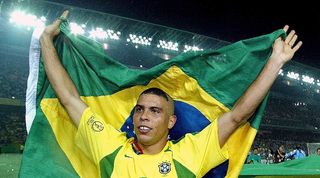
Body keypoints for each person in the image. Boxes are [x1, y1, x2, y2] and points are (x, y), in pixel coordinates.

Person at [40, 10, 302, 177]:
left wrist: (275, 62)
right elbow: (68, 98)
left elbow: (237, 116)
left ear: (171, 121)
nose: (143, 116)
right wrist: (45, 41)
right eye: (140, 109)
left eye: (155, 111)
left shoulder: (189, 153)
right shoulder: (109, 145)